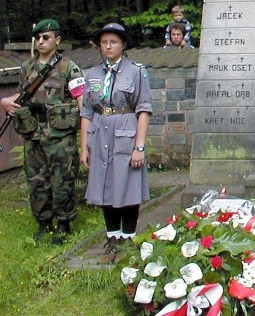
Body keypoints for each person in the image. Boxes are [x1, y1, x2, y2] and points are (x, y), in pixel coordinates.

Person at [1, 19, 85, 244]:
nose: (41, 41)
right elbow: (20, 96)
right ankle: (44, 223)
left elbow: (81, 102)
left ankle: (64, 224)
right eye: (37, 37)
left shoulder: (69, 67)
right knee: (36, 181)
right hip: (33, 135)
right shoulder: (27, 68)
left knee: (62, 181)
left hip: (60, 137)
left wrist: (88, 134)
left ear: (57, 40)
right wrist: (5, 102)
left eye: (46, 37)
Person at [80, 23, 153, 263]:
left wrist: (139, 146)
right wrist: (84, 146)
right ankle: (112, 238)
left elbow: (143, 109)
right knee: (105, 187)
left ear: (122, 45)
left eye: (113, 42)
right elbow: (86, 112)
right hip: (100, 134)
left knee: (128, 187)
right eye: (104, 42)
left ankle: (128, 240)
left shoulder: (135, 71)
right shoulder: (92, 75)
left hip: (126, 133)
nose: (108, 46)